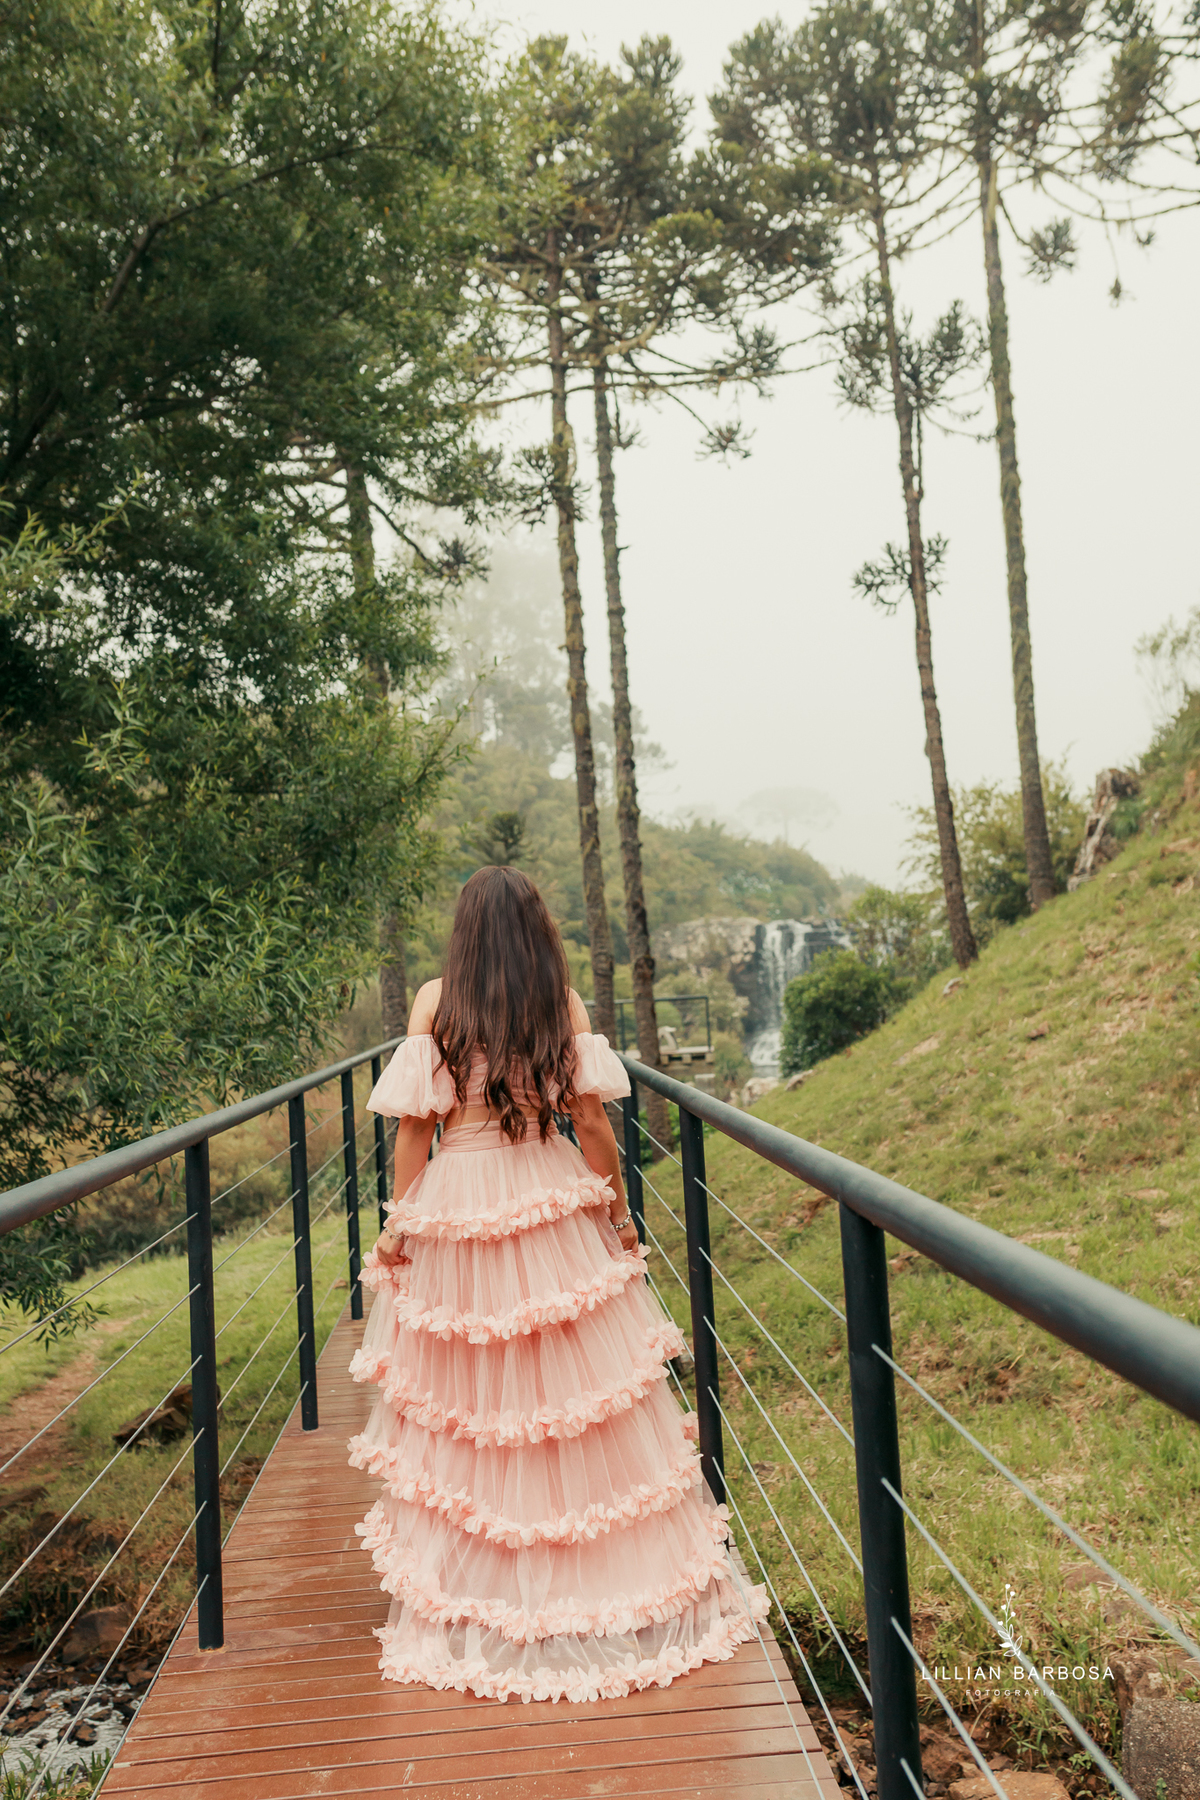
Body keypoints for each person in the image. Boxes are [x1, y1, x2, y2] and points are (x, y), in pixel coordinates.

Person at [348, 865, 766, 1703]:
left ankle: (486, 1596)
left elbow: (413, 1133)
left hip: (463, 1202)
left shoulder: (435, 1001)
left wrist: (399, 1227)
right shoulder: (560, 1001)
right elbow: (592, 1123)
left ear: (465, 929)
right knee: (575, 1392)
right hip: (545, 1191)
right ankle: (602, 1583)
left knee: (472, 1401)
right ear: (536, 926)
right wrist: (614, 1214)